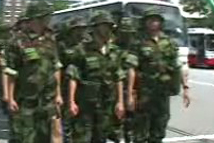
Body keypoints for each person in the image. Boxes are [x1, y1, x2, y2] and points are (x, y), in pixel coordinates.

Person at [5, 1, 63, 143]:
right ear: (36, 18)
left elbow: (56, 67)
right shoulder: (17, 41)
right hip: (25, 99)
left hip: (47, 99)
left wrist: (58, 94)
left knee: (43, 137)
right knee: (23, 137)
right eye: (46, 17)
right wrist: (10, 98)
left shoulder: (51, 39)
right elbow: (11, 72)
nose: (48, 20)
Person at [133, 8, 191, 143]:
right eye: (151, 19)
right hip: (144, 93)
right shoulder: (138, 42)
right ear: (145, 22)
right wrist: (131, 92)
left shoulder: (169, 43)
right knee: (140, 131)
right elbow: (132, 68)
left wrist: (186, 87)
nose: (154, 22)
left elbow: (178, 66)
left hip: (162, 93)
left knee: (159, 128)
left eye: (156, 19)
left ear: (161, 22)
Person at [66, 11, 125, 143]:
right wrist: (71, 102)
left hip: (106, 104)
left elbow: (119, 77)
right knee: (81, 138)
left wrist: (120, 102)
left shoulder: (114, 51)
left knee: (101, 138)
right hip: (85, 105)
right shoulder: (81, 50)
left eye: (110, 26)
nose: (107, 29)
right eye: (104, 26)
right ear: (95, 27)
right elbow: (73, 76)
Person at [115, 17, 139, 143]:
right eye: (124, 33)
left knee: (129, 123)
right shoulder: (112, 47)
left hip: (128, 89)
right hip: (112, 90)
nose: (126, 36)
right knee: (115, 124)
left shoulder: (134, 49)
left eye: (128, 33)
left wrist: (130, 94)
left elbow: (131, 71)